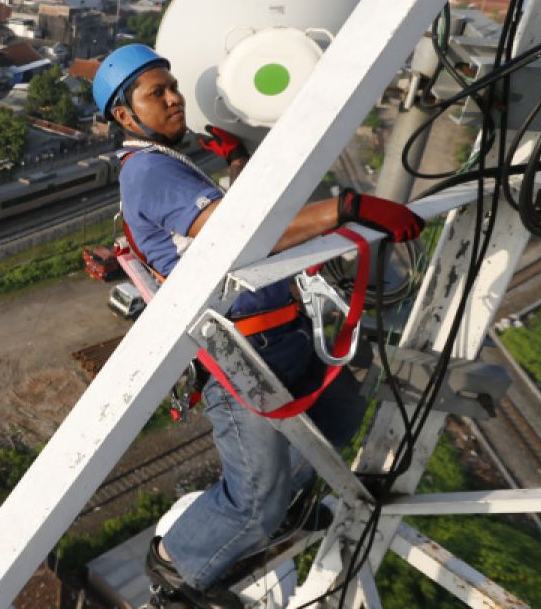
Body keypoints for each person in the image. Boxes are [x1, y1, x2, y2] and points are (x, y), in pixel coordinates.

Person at [92, 44, 424, 609]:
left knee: (337, 421)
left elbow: (234, 212)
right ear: (125, 116)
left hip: (281, 335)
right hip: (244, 352)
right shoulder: (147, 168)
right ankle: (178, 567)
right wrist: (347, 209)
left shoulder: (169, 162)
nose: (175, 99)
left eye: (172, 86)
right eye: (157, 94)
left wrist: (237, 161)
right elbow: (236, 237)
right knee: (253, 501)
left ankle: (284, 506)